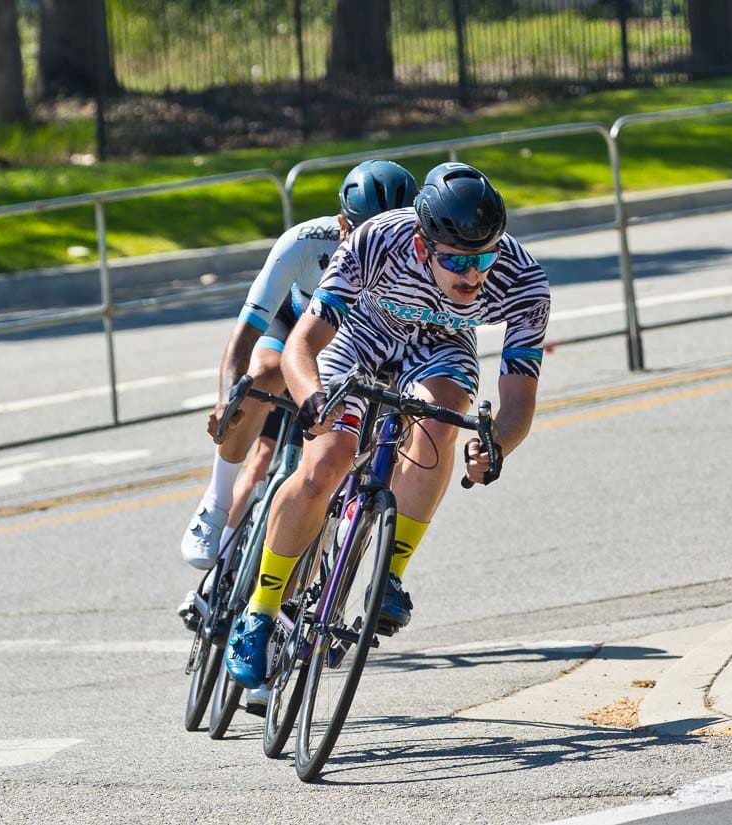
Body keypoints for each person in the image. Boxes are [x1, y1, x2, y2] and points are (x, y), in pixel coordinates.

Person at [223, 162, 551, 689]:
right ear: (423, 247)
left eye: (485, 258)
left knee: (442, 419)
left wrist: (498, 445)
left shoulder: (524, 282)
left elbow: (519, 399)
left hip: (440, 347)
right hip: (361, 335)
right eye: (457, 262)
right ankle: (259, 611)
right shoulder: (377, 240)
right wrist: (312, 399)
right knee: (325, 460)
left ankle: (390, 572)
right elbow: (303, 344)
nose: (473, 276)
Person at [179, 159, 419, 575]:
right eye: (366, 233)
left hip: (353, 345)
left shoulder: (418, 255)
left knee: (397, 420)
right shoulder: (305, 242)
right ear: (343, 224)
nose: (381, 244)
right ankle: (216, 503)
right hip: (294, 325)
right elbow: (245, 334)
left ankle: (348, 526)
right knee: (265, 376)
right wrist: (226, 401)